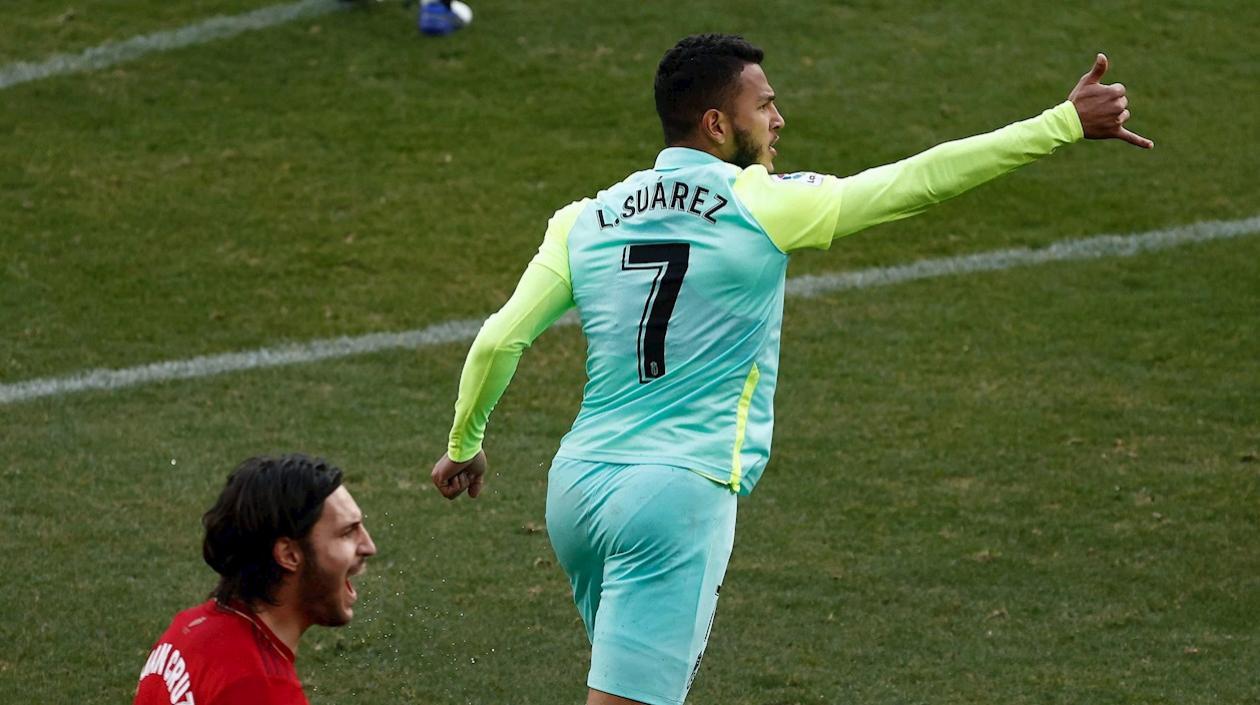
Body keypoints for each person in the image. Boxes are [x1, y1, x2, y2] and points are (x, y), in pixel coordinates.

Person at [430, 33, 1150, 705]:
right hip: (676, 495)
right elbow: (917, 181)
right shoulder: (761, 205)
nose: (779, 119)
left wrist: (465, 444)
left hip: (577, 492)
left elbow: (498, 341)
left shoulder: (583, 219)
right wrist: (1061, 123)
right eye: (764, 105)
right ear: (717, 124)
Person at [133, 454, 376, 705]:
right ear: (289, 554)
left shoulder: (189, 629)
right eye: (347, 532)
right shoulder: (261, 688)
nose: (369, 546)